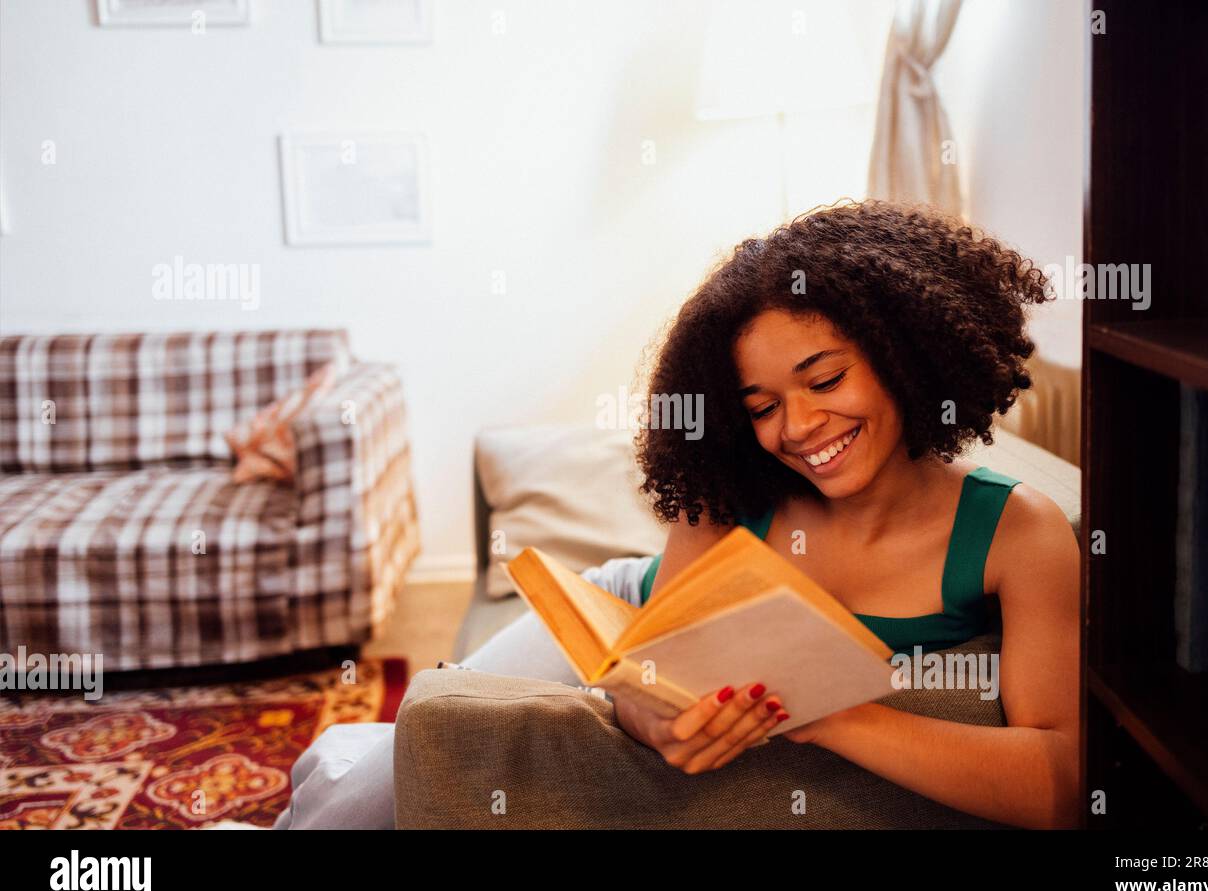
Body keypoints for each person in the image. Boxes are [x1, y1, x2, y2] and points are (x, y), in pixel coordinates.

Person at [276, 198, 1080, 830]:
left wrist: (835, 715)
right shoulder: (729, 493)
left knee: (370, 768)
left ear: (909, 356)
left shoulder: (1019, 532)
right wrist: (649, 720)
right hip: (633, 599)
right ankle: (342, 766)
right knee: (419, 735)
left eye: (826, 381)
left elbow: (1061, 784)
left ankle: (338, 756)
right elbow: (648, 674)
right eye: (761, 405)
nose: (796, 428)